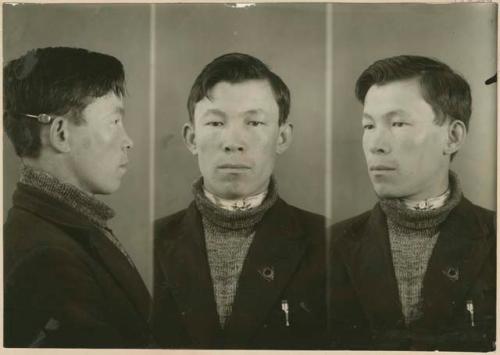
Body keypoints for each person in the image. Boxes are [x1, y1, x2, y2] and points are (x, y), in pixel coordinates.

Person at [153, 53, 327, 349]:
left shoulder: (326, 241)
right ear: (191, 138)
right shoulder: (152, 240)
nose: (233, 141)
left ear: (282, 138)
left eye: (255, 122)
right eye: (216, 123)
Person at [328, 55, 496, 351]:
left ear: (453, 137)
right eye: (368, 126)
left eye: (398, 123)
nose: (376, 144)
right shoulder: (329, 244)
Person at [3, 47, 153, 348]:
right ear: (61, 134)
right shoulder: (47, 257)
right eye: (114, 122)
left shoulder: (56, 226)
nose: (128, 141)